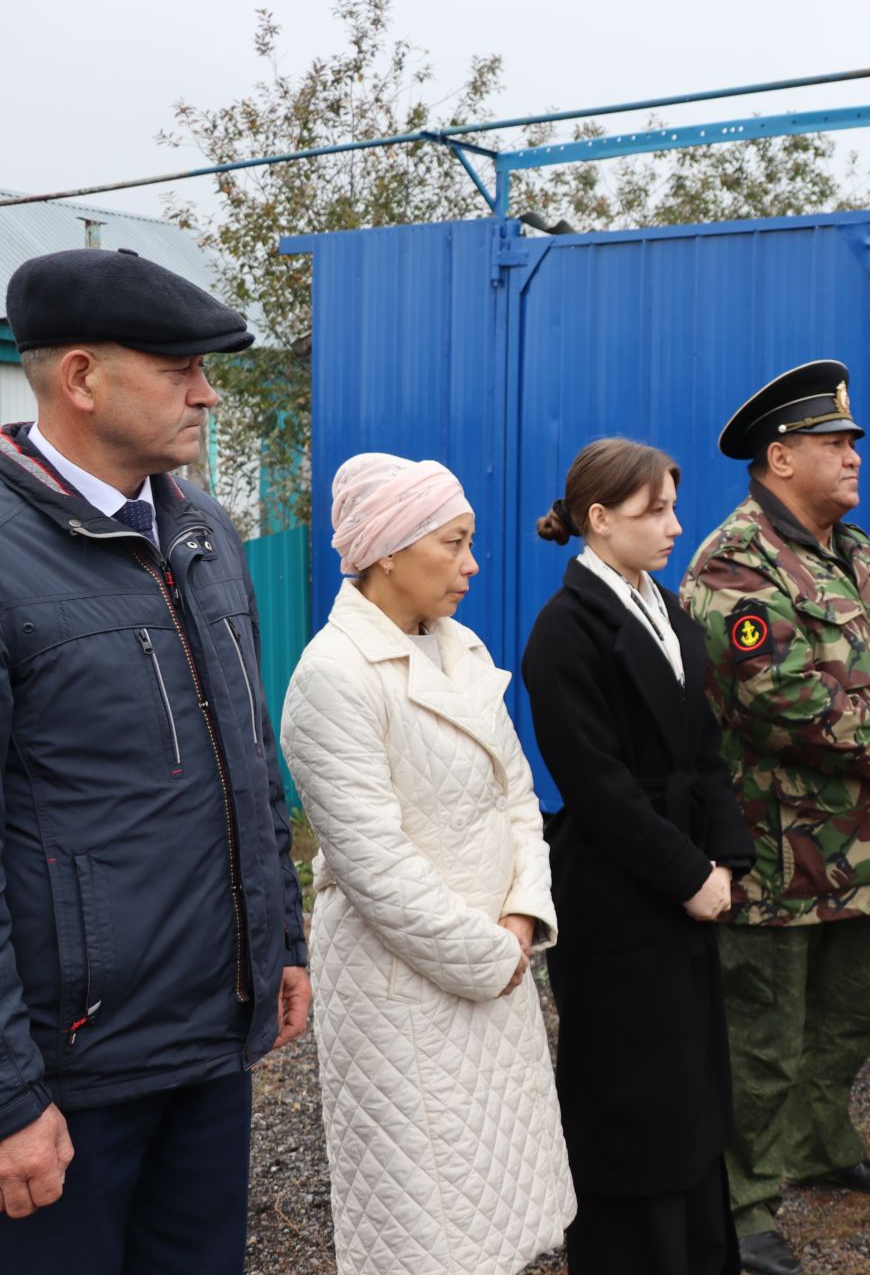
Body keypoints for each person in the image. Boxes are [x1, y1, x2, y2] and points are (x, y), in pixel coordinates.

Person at [0, 249, 308, 1270]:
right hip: (73, 1075)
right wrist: (10, 1094)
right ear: (82, 378)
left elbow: (250, 759)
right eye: (179, 365)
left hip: (207, 1047)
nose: (207, 392)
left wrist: (283, 942)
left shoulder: (205, 531)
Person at [681, 361, 870, 1275]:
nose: (853, 457)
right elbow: (776, 699)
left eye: (851, 443)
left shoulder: (861, 552)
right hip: (778, 853)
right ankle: (746, 1198)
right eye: (836, 444)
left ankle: (822, 1145)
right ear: (780, 456)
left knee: (846, 1015)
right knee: (761, 1037)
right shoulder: (734, 562)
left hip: (867, 852)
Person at [280, 454, 574, 1275]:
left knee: (500, 1203)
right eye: (455, 543)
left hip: (492, 966)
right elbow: (373, 864)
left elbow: (518, 797)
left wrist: (520, 915)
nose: (472, 564)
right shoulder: (332, 677)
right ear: (388, 550)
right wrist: (492, 955)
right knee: (425, 1226)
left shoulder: (461, 649)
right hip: (403, 988)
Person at [521, 439, 751, 1274]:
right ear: (599, 518)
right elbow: (598, 784)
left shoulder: (668, 611)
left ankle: (697, 1251)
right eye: (654, 511)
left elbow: (705, 748)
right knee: (634, 1092)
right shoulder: (566, 630)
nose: (674, 526)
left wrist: (726, 856)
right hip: (621, 891)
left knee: (691, 1087)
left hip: (683, 876)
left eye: (672, 508)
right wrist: (688, 875)